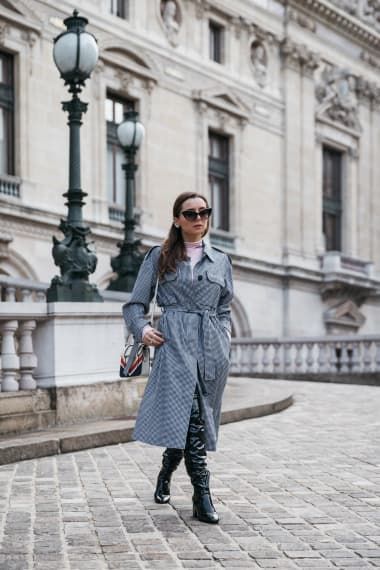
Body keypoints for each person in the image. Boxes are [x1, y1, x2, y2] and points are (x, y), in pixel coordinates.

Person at [122, 191, 233, 524]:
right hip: (174, 347)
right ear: (177, 219)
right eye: (190, 213)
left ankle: (164, 475)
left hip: (211, 349)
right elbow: (134, 306)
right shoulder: (160, 256)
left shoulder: (222, 260)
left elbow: (224, 307)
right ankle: (202, 496)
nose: (198, 218)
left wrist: (224, 339)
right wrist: (142, 330)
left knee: (188, 422)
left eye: (204, 212)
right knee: (194, 419)